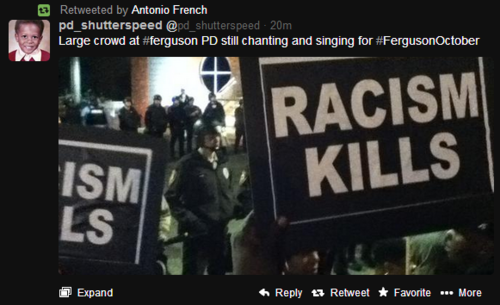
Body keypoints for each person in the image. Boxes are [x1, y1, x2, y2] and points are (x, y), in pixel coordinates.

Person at [165, 125, 238, 275]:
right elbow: (171, 198)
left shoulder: (224, 163)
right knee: (193, 271)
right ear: (200, 140)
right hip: (196, 233)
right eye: (210, 136)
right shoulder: (187, 165)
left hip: (219, 231)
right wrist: (192, 222)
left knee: (218, 270)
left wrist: (233, 211)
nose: (216, 140)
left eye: (217, 135)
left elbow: (227, 192)